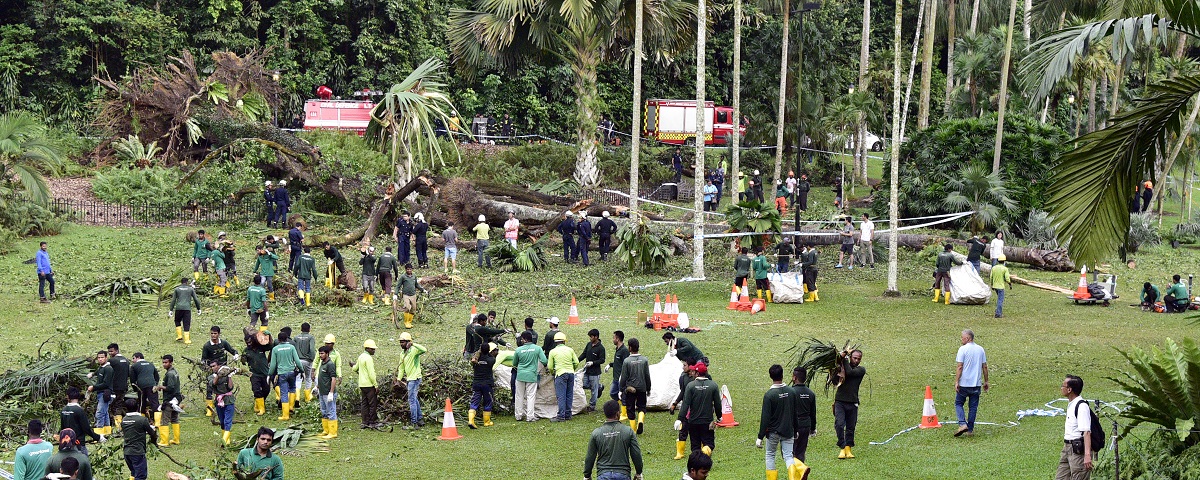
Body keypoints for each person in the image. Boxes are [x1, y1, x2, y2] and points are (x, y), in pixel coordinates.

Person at [583, 400, 645, 480]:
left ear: (605, 414)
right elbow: (636, 454)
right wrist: (639, 472)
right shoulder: (628, 431)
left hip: (603, 474)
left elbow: (590, 456)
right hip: (623, 474)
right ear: (617, 414)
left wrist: (587, 475)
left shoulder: (596, 433)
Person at [756, 365, 795, 480]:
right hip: (788, 430)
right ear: (782, 375)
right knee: (788, 455)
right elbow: (794, 413)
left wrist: (760, 436)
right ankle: (793, 477)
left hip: (773, 432)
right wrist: (796, 429)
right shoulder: (791, 391)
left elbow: (765, 418)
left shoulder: (769, 395)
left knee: (770, 455)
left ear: (770, 376)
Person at [675, 362, 720, 456]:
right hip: (707, 422)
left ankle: (697, 462)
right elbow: (717, 404)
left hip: (693, 422)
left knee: (695, 446)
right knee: (709, 444)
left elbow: (685, 404)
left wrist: (680, 419)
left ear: (697, 373)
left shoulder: (690, 386)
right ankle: (704, 456)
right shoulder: (713, 385)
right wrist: (719, 416)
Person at [1057, 375, 1094, 480]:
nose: (1061, 388)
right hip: (1067, 448)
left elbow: (1086, 432)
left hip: (1078, 451)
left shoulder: (1081, 407)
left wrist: (1087, 456)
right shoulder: (1071, 404)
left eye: (1063, 385)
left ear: (1069, 389)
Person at [954, 329, 990, 437]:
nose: (961, 339)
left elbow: (960, 366)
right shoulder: (980, 349)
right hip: (976, 384)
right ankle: (970, 430)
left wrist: (956, 381)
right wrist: (986, 381)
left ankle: (962, 424)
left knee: (958, 403)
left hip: (964, 384)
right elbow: (984, 366)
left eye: (962, 337)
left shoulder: (962, 349)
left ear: (968, 338)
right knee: (973, 407)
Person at [201, 326, 239, 417]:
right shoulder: (207, 346)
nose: (213, 335)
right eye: (212, 333)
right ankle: (209, 408)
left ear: (219, 334)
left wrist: (236, 355)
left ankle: (225, 404)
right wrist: (207, 368)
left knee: (225, 387)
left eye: (215, 333)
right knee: (210, 388)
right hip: (212, 370)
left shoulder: (224, 343)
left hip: (223, 370)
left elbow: (232, 350)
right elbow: (203, 359)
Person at [834, 349, 865, 459]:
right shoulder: (842, 368)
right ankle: (842, 447)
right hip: (840, 402)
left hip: (853, 402)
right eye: (854, 357)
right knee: (839, 424)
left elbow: (850, 372)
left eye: (858, 359)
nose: (856, 360)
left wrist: (845, 358)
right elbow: (834, 379)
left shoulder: (861, 370)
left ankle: (848, 448)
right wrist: (841, 359)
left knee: (851, 427)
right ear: (851, 357)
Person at [392, 331, 427, 427]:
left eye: (403, 342)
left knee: (411, 401)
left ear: (408, 342)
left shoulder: (414, 350)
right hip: (410, 379)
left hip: (415, 379)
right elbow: (402, 368)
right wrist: (399, 380)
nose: (401, 344)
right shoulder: (402, 354)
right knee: (414, 399)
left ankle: (414, 423)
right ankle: (420, 419)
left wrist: (414, 344)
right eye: (400, 342)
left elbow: (424, 350)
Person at [513, 331, 548, 422]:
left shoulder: (518, 350)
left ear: (524, 339)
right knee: (531, 396)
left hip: (520, 375)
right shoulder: (537, 348)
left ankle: (518, 415)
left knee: (519, 396)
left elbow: (514, 363)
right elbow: (544, 360)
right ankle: (530, 416)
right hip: (532, 375)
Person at [268, 329, 302, 420]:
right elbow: (297, 361)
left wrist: (270, 374)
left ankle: (285, 415)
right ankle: (291, 407)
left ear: (278, 340)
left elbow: (273, 364)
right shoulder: (291, 347)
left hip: (282, 373)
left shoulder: (275, 349)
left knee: (283, 393)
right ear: (287, 339)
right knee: (292, 389)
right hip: (291, 372)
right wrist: (301, 370)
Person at [547, 331, 581, 422]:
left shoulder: (553, 351)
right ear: (564, 341)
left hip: (560, 374)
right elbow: (576, 362)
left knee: (561, 395)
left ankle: (561, 416)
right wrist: (572, 369)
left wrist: (552, 372)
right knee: (569, 394)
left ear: (555, 342)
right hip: (570, 373)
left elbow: (550, 366)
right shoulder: (570, 350)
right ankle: (568, 414)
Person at [119, 397, 155, 480]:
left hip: (127, 452)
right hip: (137, 451)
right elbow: (152, 433)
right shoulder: (142, 420)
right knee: (141, 476)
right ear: (138, 407)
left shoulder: (124, 420)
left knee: (134, 473)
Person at [670, 361, 698, 458]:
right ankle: (680, 453)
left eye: (684, 365)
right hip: (686, 408)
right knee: (683, 429)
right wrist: (675, 403)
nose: (683, 368)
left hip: (696, 409)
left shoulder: (699, 378)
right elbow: (683, 392)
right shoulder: (683, 377)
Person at [791, 366, 817, 470]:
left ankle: (797, 473)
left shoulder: (790, 392)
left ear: (794, 377)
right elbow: (813, 413)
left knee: (790, 454)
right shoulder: (810, 393)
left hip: (793, 427)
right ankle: (801, 472)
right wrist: (813, 428)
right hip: (806, 425)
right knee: (801, 452)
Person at [59, 388, 99, 455]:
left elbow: (63, 429)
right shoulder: (79, 410)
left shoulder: (63, 410)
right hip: (79, 444)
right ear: (78, 397)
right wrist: (98, 437)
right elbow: (86, 428)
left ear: (68, 397)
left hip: (67, 443)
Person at [468, 342, 498, 428]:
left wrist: (479, 352)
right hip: (487, 384)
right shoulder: (491, 360)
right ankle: (486, 421)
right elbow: (492, 356)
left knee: (474, 401)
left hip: (477, 383)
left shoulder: (475, 360)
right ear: (489, 350)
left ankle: (471, 420)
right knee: (488, 401)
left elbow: (475, 358)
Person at [351, 339, 380, 428]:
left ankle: (364, 422)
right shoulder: (368, 358)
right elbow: (371, 374)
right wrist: (375, 385)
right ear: (368, 349)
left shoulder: (361, 356)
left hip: (362, 385)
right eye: (373, 349)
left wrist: (352, 366)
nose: (374, 351)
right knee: (372, 404)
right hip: (369, 385)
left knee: (364, 404)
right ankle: (372, 422)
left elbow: (355, 368)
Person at [155, 355, 182, 446]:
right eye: (163, 362)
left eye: (166, 362)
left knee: (164, 420)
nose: (164, 364)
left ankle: (164, 441)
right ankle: (176, 439)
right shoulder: (174, 372)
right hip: (176, 399)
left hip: (169, 400)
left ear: (171, 363)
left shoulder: (170, 374)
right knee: (174, 419)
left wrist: (160, 387)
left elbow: (170, 387)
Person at [209, 360, 237, 444]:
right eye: (211, 366)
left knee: (227, 421)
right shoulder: (211, 376)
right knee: (222, 421)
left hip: (228, 400)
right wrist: (219, 375)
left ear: (218, 366)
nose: (212, 368)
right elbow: (213, 383)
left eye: (214, 366)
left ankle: (224, 441)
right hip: (219, 401)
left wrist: (229, 376)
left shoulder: (226, 376)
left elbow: (230, 387)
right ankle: (227, 440)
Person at [579, 328, 607, 411]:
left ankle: (592, 406)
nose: (590, 338)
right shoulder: (589, 344)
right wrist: (577, 361)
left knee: (594, 391)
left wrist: (593, 363)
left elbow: (602, 360)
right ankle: (599, 387)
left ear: (596, 337)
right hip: (587, 370)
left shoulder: (601, 348)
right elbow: (584, 354)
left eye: (591, 337)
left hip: (595, 372)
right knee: (583, 384)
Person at [167, 277, 201, 344]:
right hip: (187, 308)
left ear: (181, 282)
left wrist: (171, 310)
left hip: (178, 308)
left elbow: (173, 300)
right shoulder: (190, 289)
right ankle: (187, 339)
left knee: (177, 321)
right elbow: (196, 299)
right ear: (187, 282)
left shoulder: (177, 289)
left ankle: (179, 336)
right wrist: (198, 308)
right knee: (186, 323)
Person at [316, 345, 340, 439]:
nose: (320, 355)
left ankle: (333, 432)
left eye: (322, 353)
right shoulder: (322, 363)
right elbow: (323, 377)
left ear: (327, 353)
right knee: (324, 411)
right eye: (319, 353)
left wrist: (331, 392)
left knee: (331, 411)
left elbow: (333, 379)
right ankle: (326, 430)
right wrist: (317, 387)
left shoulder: (330, 364)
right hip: (322, 392)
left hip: (328, 393)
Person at [106, 344, 130, 430]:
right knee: (119, 404)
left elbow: (107, 371)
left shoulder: (112, 361)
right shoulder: (126, 360)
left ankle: (115, 424)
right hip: (123, 386)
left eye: (111, 351)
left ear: (117, 350)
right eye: (109, 351)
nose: (110, 353)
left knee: (113, 405)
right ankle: (119, 425)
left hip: (114, 387)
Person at [396, 264, 427, 329]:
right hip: (406, 294)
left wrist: (422, 290)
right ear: (405, 270)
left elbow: (416, 285)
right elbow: (398, 286)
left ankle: (410, 322)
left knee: (413, 309)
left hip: (413, 294)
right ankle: (406, 322)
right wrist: (395, 294)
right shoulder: (403, 277)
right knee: (407, 307)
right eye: (408, 269)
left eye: (410, 269)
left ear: (412, 269)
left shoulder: (414, 276)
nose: (409, 270)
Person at [129, 352, 159, 417]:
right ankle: (158, 422)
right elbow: (157, 376)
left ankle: (142, 420)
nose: (132, 360)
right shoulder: (151, 364)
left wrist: (135, 388)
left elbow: (132, 379)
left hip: (141, 386)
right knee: (155, 403)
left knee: (142, 403)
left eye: (133, 358)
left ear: (138, 357)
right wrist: (155, 384)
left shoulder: (134, 366)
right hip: (152, 385)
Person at [293, 323, 317, 402]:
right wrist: (312, 358)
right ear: (309, 329)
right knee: (308, 378)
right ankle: (307, 397)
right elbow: (312, 349)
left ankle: (297, 397)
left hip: (297, 361)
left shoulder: (296, 338)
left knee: (298, 379)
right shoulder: (310, 337)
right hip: (307, 361)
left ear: (301, 329)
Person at [609, 331, 630, 413]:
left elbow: (626, 364)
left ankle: (625, 412)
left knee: (623, 396)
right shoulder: (617, 349)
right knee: (613, 393)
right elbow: (618, 362)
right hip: (616, 377)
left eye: (614, 338)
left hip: (621, 378)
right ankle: (622, 407)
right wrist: (610, 365)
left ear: (617, 339)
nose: (613, 339)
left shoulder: (624, 350)